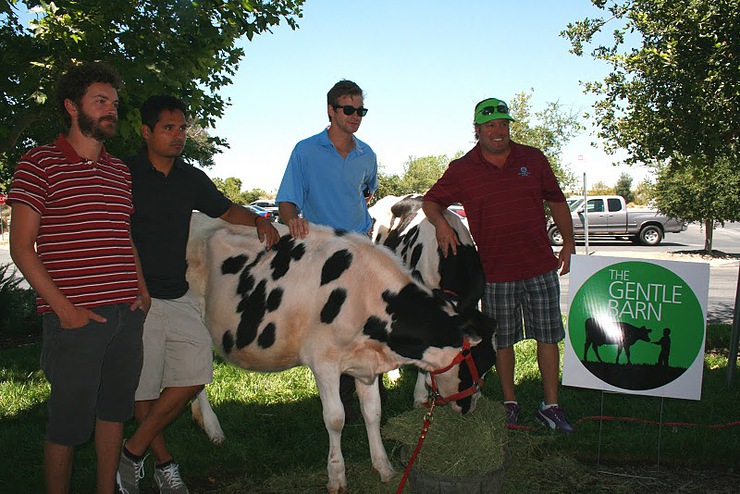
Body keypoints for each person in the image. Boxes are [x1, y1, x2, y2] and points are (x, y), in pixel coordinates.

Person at [117, 95, 279, 494]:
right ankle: (163, 464)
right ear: (146, 131)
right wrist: (136, 287)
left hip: (176, 292)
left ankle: (132, 451)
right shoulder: (124, 174)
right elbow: (116, 233)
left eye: (182, 128)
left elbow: (225, 209)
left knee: (195, 374)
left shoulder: (190, 177)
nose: (178, 136)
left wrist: (260, 220)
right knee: (144, 387)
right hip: (137, 297)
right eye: (169, 128)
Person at [8, 62, 150, 494]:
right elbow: (21, 248)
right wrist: (65, 311)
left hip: (126, 315)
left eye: (115, 103)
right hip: (75, 321)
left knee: (113, 414)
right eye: (100, 101)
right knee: (68, 426)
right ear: (72, 107)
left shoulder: (119, 171)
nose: (111, 110)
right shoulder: (39, 163)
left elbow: (123, 235)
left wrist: (141, 292)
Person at [422, 97, 576, 432]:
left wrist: (569, 242)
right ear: (476, 129)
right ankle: (510, 403)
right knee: (502, 341)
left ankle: (551, 405)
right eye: (490, 124)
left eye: (503, 124)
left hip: (539, 267)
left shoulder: (532, 159)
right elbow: (431, 201)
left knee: (548, 337)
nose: (498, 130)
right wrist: (442, 223)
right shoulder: (462, 169)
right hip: (495, 273)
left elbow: (557, 201)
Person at [276, 79, 380, 419]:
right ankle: (339, 392)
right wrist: (292, 221)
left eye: (360, 110)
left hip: (361, 251)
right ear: (331, 111)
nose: (355, 116)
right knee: (333, 327)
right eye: (348, 109)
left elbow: (366, 192)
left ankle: (366, 387)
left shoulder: (368, 155)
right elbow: (288, 202)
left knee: (365, 323)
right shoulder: (305, 151)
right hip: (322, 254)